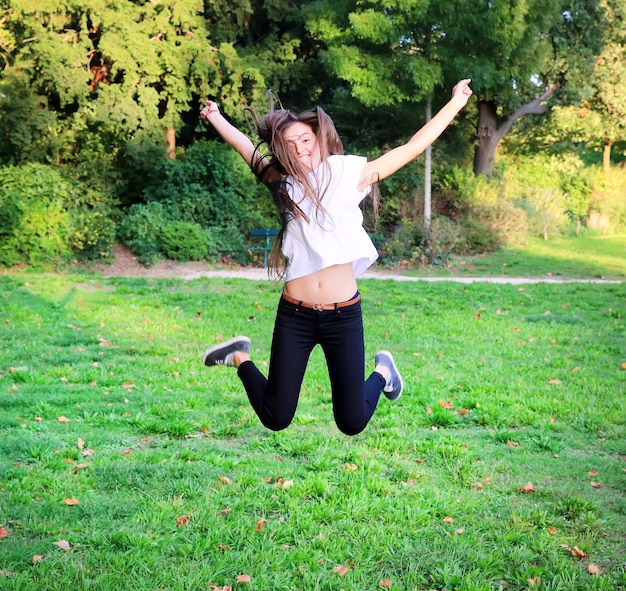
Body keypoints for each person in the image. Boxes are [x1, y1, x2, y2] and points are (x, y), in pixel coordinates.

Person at [200, 79, 473, 435]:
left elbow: (412, 146)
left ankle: (383, 373)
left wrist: (455, 103)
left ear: (318, 139)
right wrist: (215, 116)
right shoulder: (281, 182)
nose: (299, 148)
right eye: (289, 143)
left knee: (352, 422)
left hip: (342, 315)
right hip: (295, 314)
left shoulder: (348, 174)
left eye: (305, 140)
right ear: (281, 149)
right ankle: (239, 356)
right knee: (276, 417)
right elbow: (245, 146)